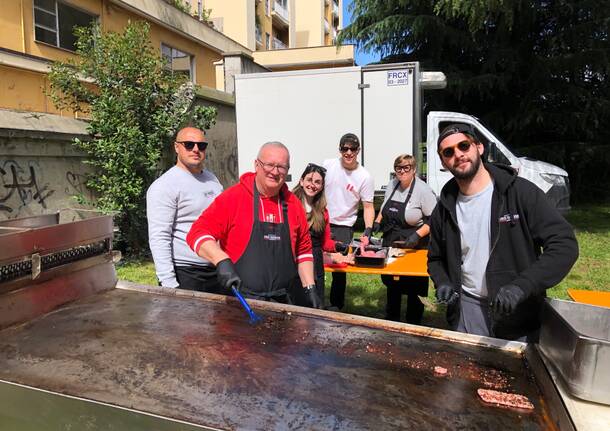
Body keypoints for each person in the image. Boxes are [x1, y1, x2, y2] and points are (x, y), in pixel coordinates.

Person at [428, 123, 578, 341]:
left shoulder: (520, 193)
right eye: (448, 152)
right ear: (443, 162)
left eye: (464, 146)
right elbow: (435, 257)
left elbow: (564, 245)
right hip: (466, 311)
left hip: (516, 313)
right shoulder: (444, 206)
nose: (458, 155)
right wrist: (443, 281)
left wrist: (522, 286)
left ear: (478, 147)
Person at [186, 142, 318, 306]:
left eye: (281, 167)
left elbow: (303, 250)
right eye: (269, 165)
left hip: (284, 302)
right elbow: (197, 233)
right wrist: (221, 260)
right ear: (257, 165)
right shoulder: (233, 198)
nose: (275, 172)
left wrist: (310, 288)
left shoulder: (294, 205)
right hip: (240, 303)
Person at [146, 126, 223, 292]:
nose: (196, 149)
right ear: (176, 147)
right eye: (189, 144)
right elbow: (159, 236)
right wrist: (168, 282)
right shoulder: (164, 186)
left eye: (201, 146)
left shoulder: (212, 180)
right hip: (187, 272)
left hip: (217, 268)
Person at [374, 154, 437, 324]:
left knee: (414, 285)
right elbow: (385, 207)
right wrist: (377, 222)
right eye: (398, 168)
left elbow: (434, 219)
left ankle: (414, 322)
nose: (401, 172)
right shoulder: (393, 184)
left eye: (406, 168)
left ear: (414, 169)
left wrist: (417, 235)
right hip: (392, 242)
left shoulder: (423, 190)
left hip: (414, 244)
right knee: (392, 282)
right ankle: (392, 318)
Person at [323, 133, 375, 310]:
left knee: (340, 266)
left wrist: (368, 229)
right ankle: (314, 301)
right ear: (340, 150)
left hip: (345, 226)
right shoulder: (328, 165)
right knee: (317, 261)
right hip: (322, 222)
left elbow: (368, 207)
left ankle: (336, 305)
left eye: (353, 148)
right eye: (345, 148)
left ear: (358, 150)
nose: (348, 152)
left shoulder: (365, 176)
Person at [292, 163, 352, 307]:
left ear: (322, 186)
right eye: (309, 180)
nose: (313, 185)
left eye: (317, 182)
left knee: (315, 307)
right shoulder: (290, 204)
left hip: (316, 264)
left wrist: (339, 246)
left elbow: (325, 243)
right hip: (293, 263)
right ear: (301, 181)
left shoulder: (322, 211)